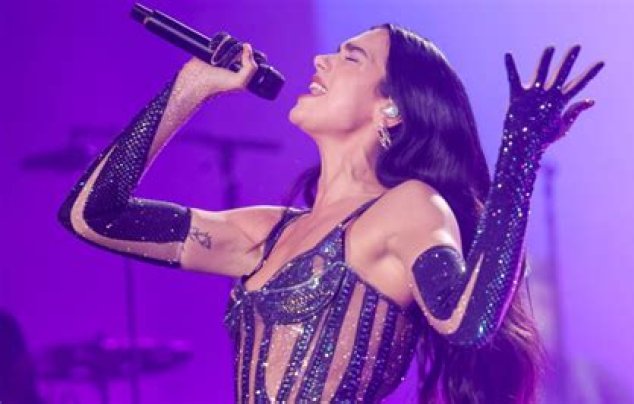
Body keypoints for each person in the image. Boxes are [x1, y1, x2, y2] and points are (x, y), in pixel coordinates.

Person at [58, 23, 603, 403]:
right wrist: (189, 88)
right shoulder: (266, 233)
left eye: (350, 57)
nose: (321, 61)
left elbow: (469, 321)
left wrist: (520, 150)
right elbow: (92, 216)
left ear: (390, 108)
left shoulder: (406, 208)